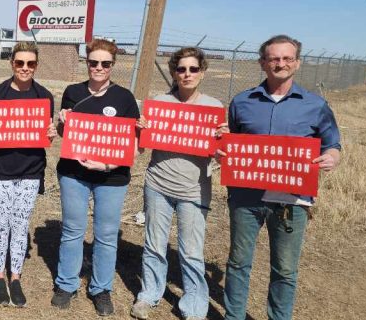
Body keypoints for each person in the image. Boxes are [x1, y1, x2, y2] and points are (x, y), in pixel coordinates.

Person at [219, 35, 341, 320]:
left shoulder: (315, 104)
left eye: (287, 58)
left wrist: (333, 156)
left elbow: (332, 142)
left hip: (291, 200)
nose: (280, 64)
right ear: (263, 63)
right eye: (273, 58)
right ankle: (233, 316)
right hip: (245, 196)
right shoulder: (242, 101)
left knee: (285, 269)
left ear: (297, 63)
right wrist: (223, 152)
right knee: (238, 262)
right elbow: (233, 142)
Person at [130, 47, 226, 320]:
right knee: (154, 245)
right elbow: (142, 147)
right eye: (181, 69)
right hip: (158, 184)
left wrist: (222, 139)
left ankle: (194, 306)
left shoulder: (214, 108)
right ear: (174, 72)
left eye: (193, 69)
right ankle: (149, 295)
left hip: (193, 189)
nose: (187, 74)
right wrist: (143, 130)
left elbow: (218, 152)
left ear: (202, 72)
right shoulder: (159, 103)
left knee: (191, 252)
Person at [51, 38, 140, 316]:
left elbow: (132, 144)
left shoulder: (124, 98)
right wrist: (62, 122)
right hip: (74, 174)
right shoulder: (73, 92)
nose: (98, 68)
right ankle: (66, 283)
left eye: (105, 63)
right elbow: (68, 136)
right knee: (72, 231)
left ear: (113, 65)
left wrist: (106, 165)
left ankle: (101, 289)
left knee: (106, 235)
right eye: (93, 62)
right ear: (86, 62)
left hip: (111, 178)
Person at [0, 42, 56, 307]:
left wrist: (50, 133)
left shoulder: (45, 96)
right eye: (20, 63)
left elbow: (45, 132)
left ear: (36, 65)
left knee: (20, 224)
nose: (25, 68)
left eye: (30, 63)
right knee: (1, 222)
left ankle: (15, 276)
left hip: (30, 171)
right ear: (12, 64)